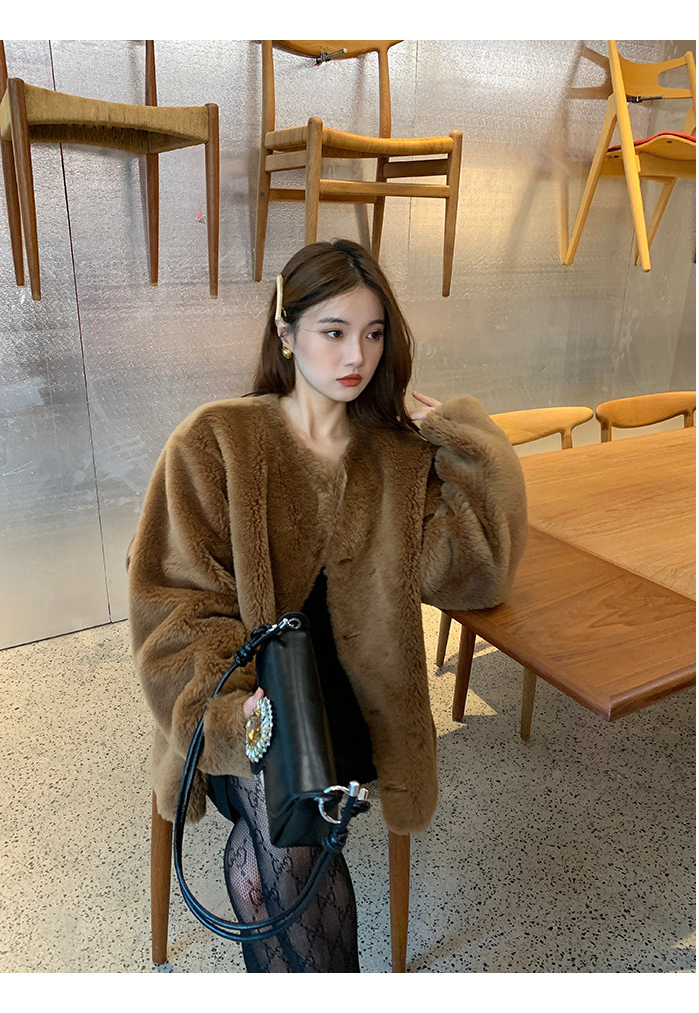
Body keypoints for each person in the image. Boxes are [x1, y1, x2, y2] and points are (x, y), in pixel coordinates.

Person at [129, 238, 528, 973]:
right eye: (334, 331)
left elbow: (481, 572)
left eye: (374, 334)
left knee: (272, 853)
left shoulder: (396, 456)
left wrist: (461, 437)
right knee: (282, 819)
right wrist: (235, 714)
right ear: (285, 333)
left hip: (356, 699)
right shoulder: (216, 440)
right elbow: (176, 607)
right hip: (241, 695)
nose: (357, 356)